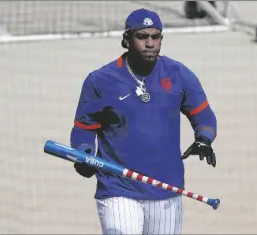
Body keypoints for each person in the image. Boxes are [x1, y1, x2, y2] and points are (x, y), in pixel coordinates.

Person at [70, 8, 217, 235]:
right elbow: (82, 130)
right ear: (126, 39)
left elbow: (204, 116)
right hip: (118, 188)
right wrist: (84, 152)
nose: (150, 43)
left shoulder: (179, 74)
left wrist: (204, 139)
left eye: (155, 37)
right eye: (142, 37)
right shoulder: (99, 81)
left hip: (166, 188)